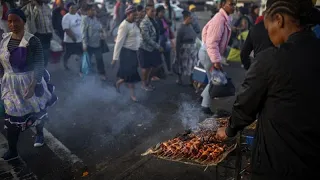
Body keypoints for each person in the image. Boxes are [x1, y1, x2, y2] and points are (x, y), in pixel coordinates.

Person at [216, 0, 320, 179]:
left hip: (278, 163)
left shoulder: (271, 59)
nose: (268, 32)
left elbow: (245, 104)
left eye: (267, 25)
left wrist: (229, 129)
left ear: (278, 20)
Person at [0, 9, 57, 161]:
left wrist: (33, 85)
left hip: (29, 81)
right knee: (11, 119)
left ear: (24, 21)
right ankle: (13, 150)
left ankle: (39, 133)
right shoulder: (4, 39)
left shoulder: (32, 40)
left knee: (36, 111)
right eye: (9, 21)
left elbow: (39, 64)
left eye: (16, 20)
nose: (12, 24)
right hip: (10, 85)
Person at [199, 0, 234, 115]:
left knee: (212, 80)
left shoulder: (224, 18)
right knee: (214, 81)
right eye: (231, 4)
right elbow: (212, 42)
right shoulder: (219, 19)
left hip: (209, 53)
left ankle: (202, 98)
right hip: (209, 54)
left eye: (234, 4)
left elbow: (205, 30)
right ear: (222, 5)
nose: (233, 7)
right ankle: (204, 106)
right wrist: (216, 60)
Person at [111, 5, 141, 102]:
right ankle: (132, 95)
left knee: (130, 74)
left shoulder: (134, 23)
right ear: (128, 14)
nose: (135, 16)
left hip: (133, 52)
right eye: (134, 14)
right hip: (126, 53)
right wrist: (115, 58)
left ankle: (118, 84)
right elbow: (119, 43)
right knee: (131, 74)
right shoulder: (124, 25)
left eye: (136, 14)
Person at [139, 5, 163, 91]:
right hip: (145, 48)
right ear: (147, 11)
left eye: (154, 11)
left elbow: (157, 33)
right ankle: (144, 84)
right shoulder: (144, 23)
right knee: (145, 68)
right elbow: (146, 38)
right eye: (152, 11)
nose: (154, 13)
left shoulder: (154, 20)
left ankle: (147, 82)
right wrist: (158, 46)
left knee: (156, 65)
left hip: (153, 47)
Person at [81, 4, 107, 80]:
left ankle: (102, 73)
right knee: (86, 59)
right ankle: (82, 72)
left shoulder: (96, 19)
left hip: (97, 43)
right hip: (89, 44)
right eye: (92, 10)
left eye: (94, 10)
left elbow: (101, 27)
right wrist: (84, 44)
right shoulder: (85, 19)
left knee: (99, 59)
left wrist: (103, 33)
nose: (94, 11)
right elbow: (83, 32)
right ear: (88, 11)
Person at [25, 0, 53, 68]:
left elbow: (49, 20)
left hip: (47, 34)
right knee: (39, 53)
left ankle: (43, 69)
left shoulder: (47, 7)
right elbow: (28, 22)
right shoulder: (30, 7)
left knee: (46, 53)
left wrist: (52, 32)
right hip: (38, 34)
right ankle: (38, 70)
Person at [172, 10, 197, 85]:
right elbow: (178, 42)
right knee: (181, 65)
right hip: (184, 50)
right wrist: (177, 54)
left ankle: (192, 81)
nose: (192, 19)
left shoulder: (190, 25)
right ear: (186, 18)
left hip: (192, 49)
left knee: (193, 65)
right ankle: (179, 80)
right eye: (190, 18)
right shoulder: (181, 29)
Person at [62, 2, 82, 71]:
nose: (73, 9)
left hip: (79, 39)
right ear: (68, 8)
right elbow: (66, 29)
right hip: (70, 40)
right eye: (71, 8)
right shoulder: (66, 17)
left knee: (80, 53)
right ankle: (65, 64)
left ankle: (81, 65)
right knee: (68, 53)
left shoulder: (77, 15)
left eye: (74, 7)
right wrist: (73, 37)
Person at [156, 5, 172, 74]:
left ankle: (168, 70)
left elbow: (170, 23)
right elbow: (159, 31)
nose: (162, 14)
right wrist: (165, 28)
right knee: (159, 56)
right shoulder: (157, 20)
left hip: (166, 39)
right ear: (158, 12)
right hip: (160, 39)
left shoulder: (163, 18)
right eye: (161, 12)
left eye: (163, 12)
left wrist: (168, 21)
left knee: (167, 55)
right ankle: (160, 71)